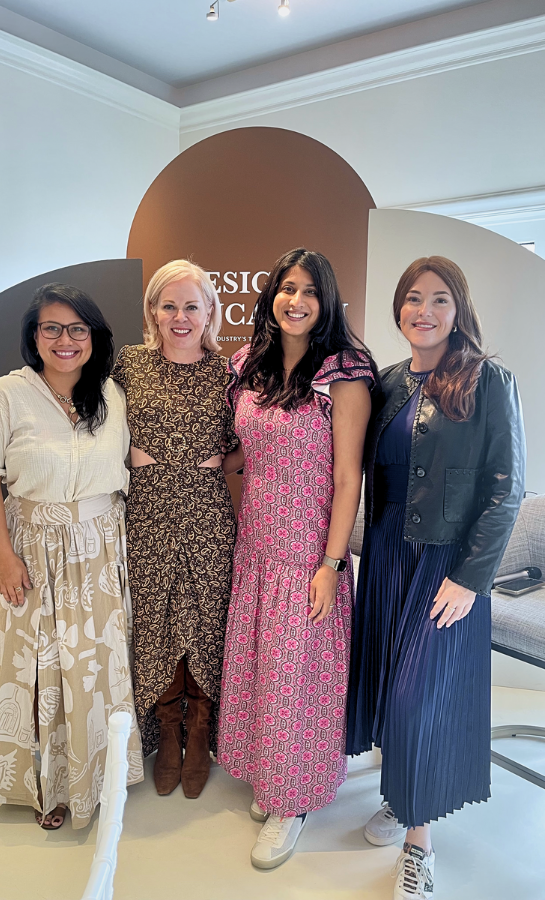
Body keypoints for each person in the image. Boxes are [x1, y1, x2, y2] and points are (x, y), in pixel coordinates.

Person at [346, 256, 525, 899]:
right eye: (413, 298)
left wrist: (472, 577)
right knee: (389, 684)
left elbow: (506, 490)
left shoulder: (487, 379)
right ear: (398, 309)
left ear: (459, 309)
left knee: (419, 697)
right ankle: (402, 794)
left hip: (446, 562)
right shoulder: (388, 381)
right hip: (390, 556)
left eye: (440, 299)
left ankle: (417, 844)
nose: (425, 310)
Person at [219, 247, 378, 869]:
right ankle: (270, 773)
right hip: (257, 546)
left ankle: (293, 798)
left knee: (297, 679)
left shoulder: (343, 372)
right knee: (265, 670)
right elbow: (237, 454)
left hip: (309, 554)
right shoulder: (249, 365)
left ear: (327, 302)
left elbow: (347, 478)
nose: (297, 300)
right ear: (271, 296)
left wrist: (331, 565)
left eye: (311, 291)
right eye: (287, 288)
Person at [0, 283, 144, 830]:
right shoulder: (5, 395)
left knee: (95, 668)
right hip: (34, 548)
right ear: (33, 336)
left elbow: (127, 466)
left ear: (94, 336)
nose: (65, 340)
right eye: (52, 329)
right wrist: (3, 555)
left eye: (77, 329)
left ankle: (102, 776)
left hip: (100, 546)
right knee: (44, 669)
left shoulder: (110, 395)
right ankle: (52, 787)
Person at [111, 260, 238, 800]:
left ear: (210, 310)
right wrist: (126, 457)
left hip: (207, 515)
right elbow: (99, 428)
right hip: (149, 513)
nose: (180, 317)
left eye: (192, 305)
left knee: (206, 621)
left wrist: (220, 464)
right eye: (169, 306)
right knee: (156, 622)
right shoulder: (129, 364)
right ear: (153, 312)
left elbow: (250, 441)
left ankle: (201, 729)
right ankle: (166, 731)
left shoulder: (229, 373)